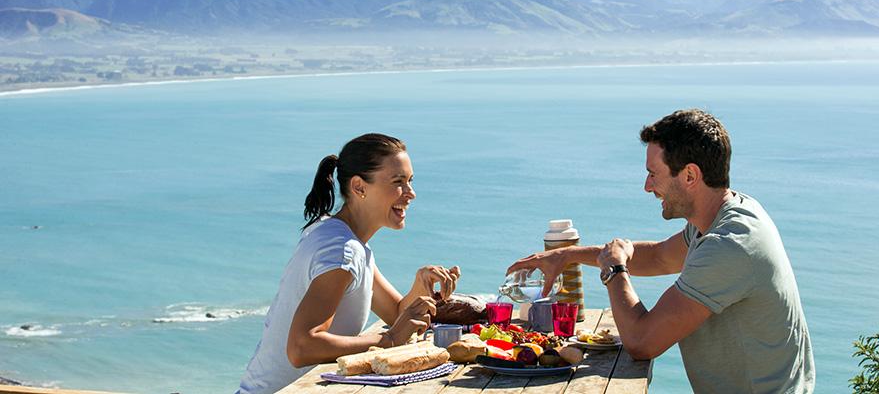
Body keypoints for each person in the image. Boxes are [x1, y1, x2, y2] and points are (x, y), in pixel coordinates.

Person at [508, 109, 815, 393]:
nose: (646, 186)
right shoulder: (724, 216)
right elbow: (658, 256)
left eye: (654, 174)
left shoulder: (729, 245)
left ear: (690, 176)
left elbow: (642, 342)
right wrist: (568, 254)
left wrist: (614, 272)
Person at [238, 133, 460, 394]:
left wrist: (421, 284)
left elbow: (396, 315)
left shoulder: (345, 240)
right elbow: (301, 347)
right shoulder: (342, 251)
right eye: (398, 182)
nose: (410, 193)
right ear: (359, 187)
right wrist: (388, 340)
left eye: (410, 181)